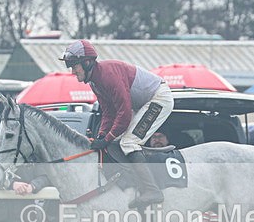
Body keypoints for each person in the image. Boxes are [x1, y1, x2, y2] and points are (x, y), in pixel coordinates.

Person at [59, 39, 174, 209]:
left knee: (128, 142)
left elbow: (124, 114)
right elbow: (109, 112)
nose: (73, 71)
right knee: (115, 141)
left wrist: (107, 137)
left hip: (158, 98)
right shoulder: (94, 81)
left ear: (87, 62)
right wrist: (101, 136)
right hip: (142, 103)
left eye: (74, 66)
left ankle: (152, 190)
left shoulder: (107, 76)